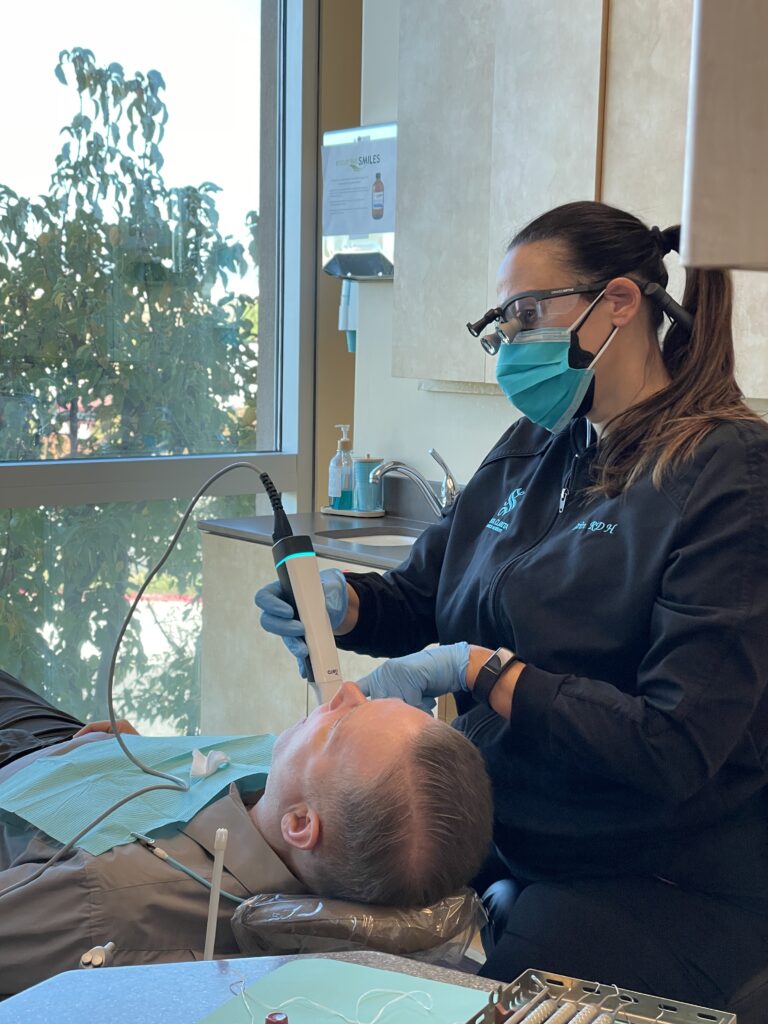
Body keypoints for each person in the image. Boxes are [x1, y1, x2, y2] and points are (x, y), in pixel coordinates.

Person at [257, 201, 768, 1013]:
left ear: (620, 304)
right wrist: (344, 608)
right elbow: (425, 599)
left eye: (528, 314)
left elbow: (673, 746)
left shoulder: (728, 475)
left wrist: (488, 672)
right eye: (502, 321)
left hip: (657, 876)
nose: (511, 341)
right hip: (506, 837)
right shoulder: (539, 446)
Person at [0, 667, 492, 995]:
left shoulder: (108, 900)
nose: (345, 691)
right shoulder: (296, 804)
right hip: (79, 750)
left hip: (19, 773)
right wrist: (136, 757)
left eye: (341, 724)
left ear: (301, 824)